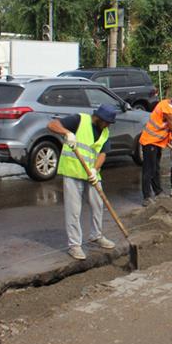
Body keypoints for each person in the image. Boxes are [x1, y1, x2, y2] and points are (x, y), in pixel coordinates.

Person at [47, 104, 118, 260]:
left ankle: (96, 235)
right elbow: (52, 124)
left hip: (91, 173)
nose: (108, 125)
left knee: (98, 204)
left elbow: (103, 154)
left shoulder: (105, 131)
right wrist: (67, 133)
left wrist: (95, 170)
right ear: (99, 118)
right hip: (73, 171)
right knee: (74, 210)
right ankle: (74, 246)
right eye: (106, 122)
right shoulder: (79, 120)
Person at [139, 89, 172, 205]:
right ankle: (146, 197)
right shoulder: (167, 109)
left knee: (156, 168)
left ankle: (158, 191)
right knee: (148, 170)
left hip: (157, 142)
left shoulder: (168, 105)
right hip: (149, 141)